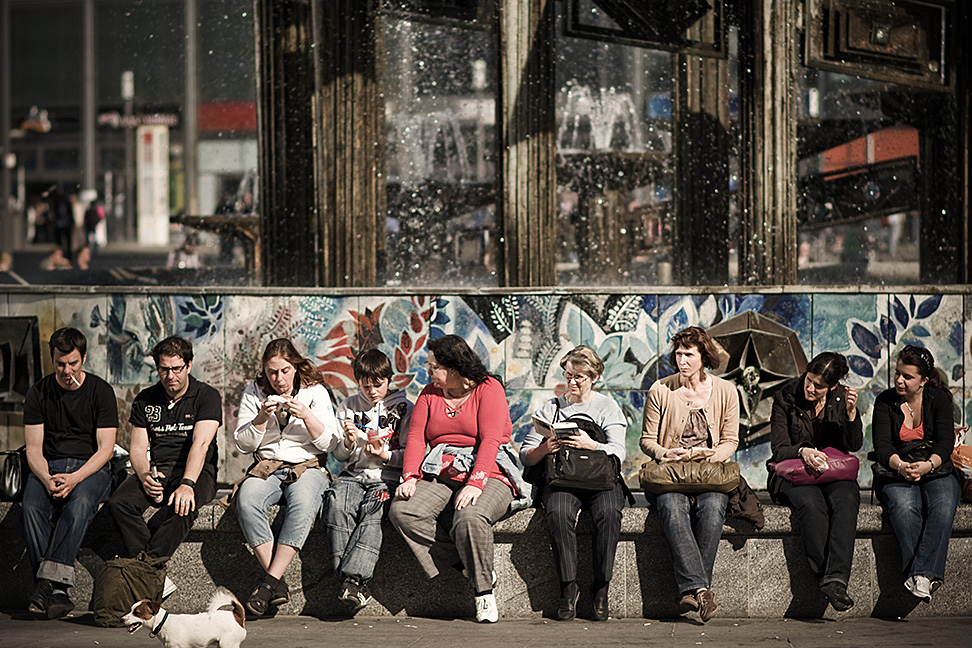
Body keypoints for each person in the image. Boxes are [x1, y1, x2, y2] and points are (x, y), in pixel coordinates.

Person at [388, 334, 528, 624]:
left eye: (433, 366)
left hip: (489, 468)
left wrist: (476, 482)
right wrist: (410, 475)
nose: (429, 373)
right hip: (443, 469)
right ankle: (466, 563)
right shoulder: (429, 393)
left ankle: (483, 593)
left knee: (469, 516)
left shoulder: (489, 388)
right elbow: (415, 437)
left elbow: (491, 440)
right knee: (403, 510)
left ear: (453, 368)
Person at [107, 336, 222, 597]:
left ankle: (147, 568)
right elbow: (137, 448)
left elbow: (201, 445)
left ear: (189, 366)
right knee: (119, 503)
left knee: (183, 504)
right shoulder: (146, 399)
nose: (170, 376)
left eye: (177, 369)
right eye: (164, 369)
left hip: (197, 470)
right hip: (158, 468)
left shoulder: (207, 396)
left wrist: (187, 484)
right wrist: (144, 473)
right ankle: (156, 575)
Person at [519, 345, 626, 622]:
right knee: (558, 512)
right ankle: (568, 588)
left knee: (609, 513)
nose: (573, 382)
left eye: (579, 376)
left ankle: (601, 589)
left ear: (594, 377)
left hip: (601, 480)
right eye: (568, 375)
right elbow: (525, 456)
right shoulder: (552, 408)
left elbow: (620, 450)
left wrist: (592, 444)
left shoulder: (607, 406)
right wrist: (545, 448)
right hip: (563, 479)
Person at [233, 338, 339, 618]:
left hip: (308, 466)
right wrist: (259, 419)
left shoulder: (315, 392)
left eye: (284, 371)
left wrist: (306, 416)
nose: (278, 379)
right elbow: (242, 444)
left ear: (295, 366)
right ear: (264, 371)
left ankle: (267, 584)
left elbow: (330, 442)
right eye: (272, 372)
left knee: (304, 503)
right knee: (246, 500)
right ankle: (276, 582)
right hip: (267, 466)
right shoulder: (254, 392)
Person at [640, 326, 739, 623]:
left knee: (713, 508)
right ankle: (702, 590)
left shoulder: (725, 390)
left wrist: (711, 455)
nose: (682, 360)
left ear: (703, 356)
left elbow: (730, 441)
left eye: (689, 355)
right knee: (672, 507)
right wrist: (664, 453)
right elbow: (647, 440)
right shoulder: (661, 389)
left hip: (710, 474)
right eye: (678, 354)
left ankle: (692, 589)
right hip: (671, 475)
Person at [21, 327, 118, 619]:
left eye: (73, 363)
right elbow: (33, 450)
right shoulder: (38, 392)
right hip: (48, 467)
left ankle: (44, 584)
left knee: (80, 504)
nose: (66, 370)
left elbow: (105, 449)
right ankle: (59, 591)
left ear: (84, 358)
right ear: (53, 360)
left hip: (90, 468)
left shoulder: (101, 391)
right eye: (60, 363)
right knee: (31, 506)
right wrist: (46, 477)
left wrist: (75, 478)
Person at [767, 352, 862, 611]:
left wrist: (852, 415)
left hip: (832, 472)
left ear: (832, 386)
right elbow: (778, 448)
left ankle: (836, 579)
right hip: (794, 473)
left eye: (818, 386)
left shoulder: (841, 398)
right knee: (811, 504)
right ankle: (828, 578)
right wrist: (804, 450)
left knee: (848, 498)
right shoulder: (785, 397)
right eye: (809, 380)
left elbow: (853, 445)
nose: (810, 388)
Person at [326, 349, 413, 613]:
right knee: (336, 504)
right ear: (358, 382)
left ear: (389, 379)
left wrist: (385, 454)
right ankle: (353, 585)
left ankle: (352, 580)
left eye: (378, 385)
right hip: (353, 476)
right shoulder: (348, 406)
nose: (373, 391)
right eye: (366, 386)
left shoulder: (403, 408)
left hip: (386, 479)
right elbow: (339, 455)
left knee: (373, 513)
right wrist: (349, 442)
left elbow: (411, 453)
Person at [872, 345, 960, 601]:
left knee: (943, 504)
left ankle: (917, 575)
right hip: (896, 467)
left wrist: (928, 465)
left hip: (935, 467)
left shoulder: (939, 398)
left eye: (907, 376)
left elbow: (945, 442)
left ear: (923, 380)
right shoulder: (885, 401)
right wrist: (900, 465)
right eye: (898, 373)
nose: (899, 380)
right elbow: (882, 446)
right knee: (904, 506)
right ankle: (922, 575)